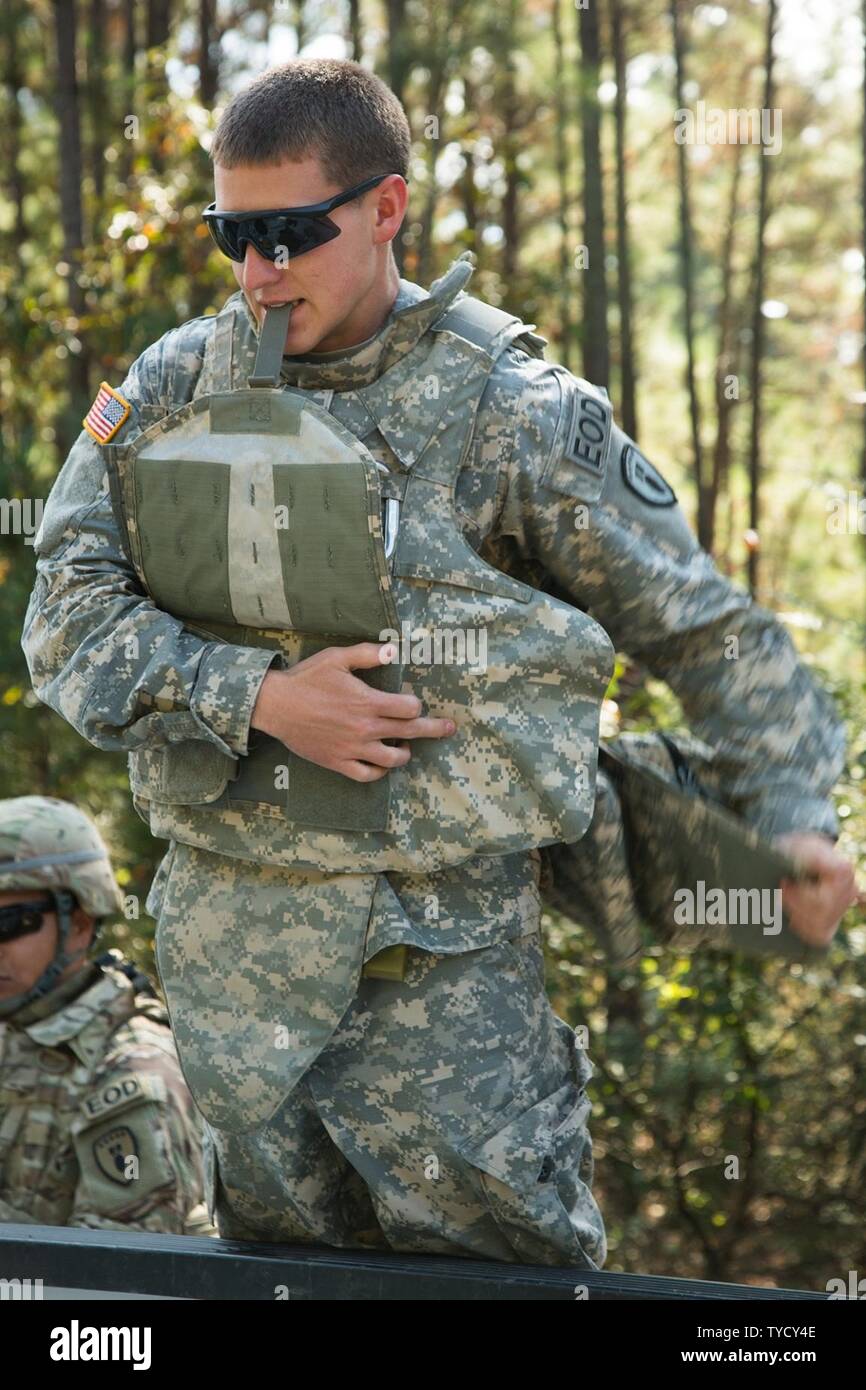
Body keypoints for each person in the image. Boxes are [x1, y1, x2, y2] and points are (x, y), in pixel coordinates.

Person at [20, 59, 857, 1266]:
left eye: (290, 234)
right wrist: (255, 697)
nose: (258, 272)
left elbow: (711, 633)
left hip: (449, 1027)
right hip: (236, 1017)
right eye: (231, 237)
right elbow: (64, 609)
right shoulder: (167, 388)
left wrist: (787, 815)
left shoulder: (509, 411)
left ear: (386, 210)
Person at [0, 796, 210, 1233]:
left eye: (9, 924)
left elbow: (114, 1277)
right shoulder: (16, 1026)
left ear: (78, 921)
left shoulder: (131, 1074)